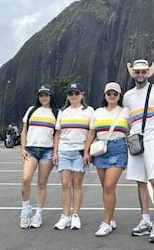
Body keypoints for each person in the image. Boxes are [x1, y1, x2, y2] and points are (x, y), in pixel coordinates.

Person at [123, 59, 154, 243]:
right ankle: (145, 221)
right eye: (137, 72)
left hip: (153, 139)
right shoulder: (127, 96)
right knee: (140, 182)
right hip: (136, 140)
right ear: (132, 73)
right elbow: (127, 121)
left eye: (143, 71)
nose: (140, 75)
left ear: (148, 73)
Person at [84, 82, 129, 236]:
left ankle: (106, 222)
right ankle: (111, 217)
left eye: (115, 94)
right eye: (109, 93)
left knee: (109, 186)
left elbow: (130, 132)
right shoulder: (97, 112)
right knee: (106, 187)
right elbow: (91, 133)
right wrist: (86, 152)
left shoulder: (125, 112)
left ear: (119, 96)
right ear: (105, 96)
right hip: (100, 150)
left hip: (118, 149)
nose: (111, 96)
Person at [53, 83, 94, 230]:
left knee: (77, 184)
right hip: (64, 151)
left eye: (76, 93)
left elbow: (91, 132)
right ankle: (65, 216)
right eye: (71, 94)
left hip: (79, 152)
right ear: (67, 96)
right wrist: (55, 152)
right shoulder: (63, 112)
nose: (74, 96)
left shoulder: (89, 111)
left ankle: (75, 215)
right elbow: (57, 133)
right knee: (65, 184)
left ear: (81, 95)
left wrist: (87, 151)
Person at [20, 85, 58, 228]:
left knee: (42, 183)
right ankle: (25, 209)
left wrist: (55, 152)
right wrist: (22, 149)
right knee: (26, 178)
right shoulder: (31, 110)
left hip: (47, 151)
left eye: (46, 95)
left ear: (51, 96)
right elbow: (24, 131)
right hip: (31, 149)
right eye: (41, 95)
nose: (44, 98)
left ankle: (38, 214)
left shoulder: (56, 112)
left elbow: (57, 135)